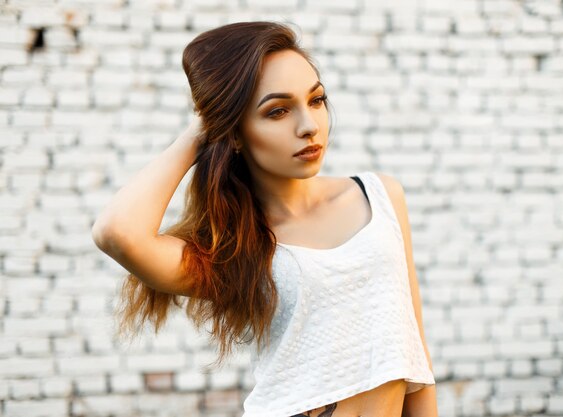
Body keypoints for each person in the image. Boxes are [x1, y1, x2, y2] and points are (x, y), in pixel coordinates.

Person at [91, 21, 437, 417]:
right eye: (277, 111)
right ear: (234, 133)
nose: (308, 127)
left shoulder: (379, 196)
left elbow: (416, 356)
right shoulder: (236, 249)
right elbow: (116, 232)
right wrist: (199, 131)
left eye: (317, 100)